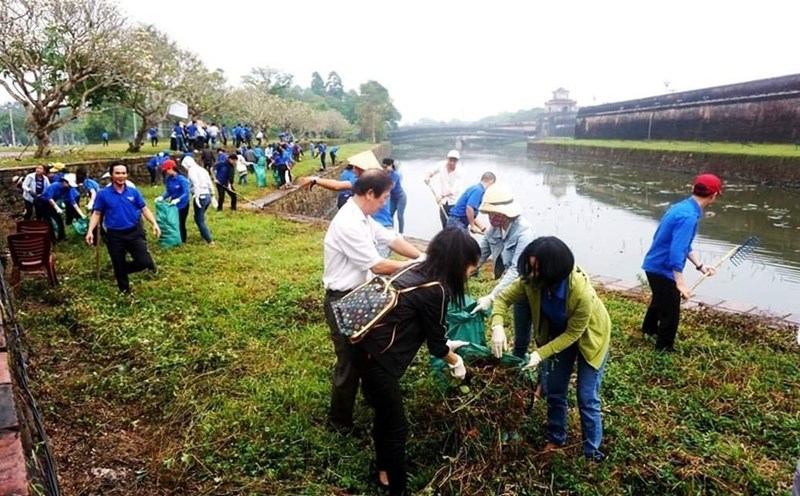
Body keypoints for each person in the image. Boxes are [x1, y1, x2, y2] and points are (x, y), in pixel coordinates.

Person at [353, 228, 476, 495]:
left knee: (384, 415)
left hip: (362, 347)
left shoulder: (418, 269)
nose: (471, 273)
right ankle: (398, 489)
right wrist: (456, 363)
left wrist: (445, 343)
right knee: (397, 428)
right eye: (471, 267)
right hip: (379, 360)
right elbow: (436, 346)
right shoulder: (437, 289)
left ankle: (384, 472)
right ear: (458, 263)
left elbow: (428, 328)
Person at [321, 168, 423, 439]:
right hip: (342, 299)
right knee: (348, 362)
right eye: (384, 197)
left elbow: (391, 239)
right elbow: (377, 265)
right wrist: (416, 266)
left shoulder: (363, 217)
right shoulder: (348, 223)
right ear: (369, 193)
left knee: (369, 350)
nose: (385, 202)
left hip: (361, 294)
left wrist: (422, 256)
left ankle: (368, 399)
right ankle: (339, 422)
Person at [491, 236, 611, 462]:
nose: (532, 273)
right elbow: (503, 299)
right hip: (557, 334)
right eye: (531, 267)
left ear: (554, 271)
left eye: (538, 269)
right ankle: (556, 439)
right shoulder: (532, 281)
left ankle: (592, 454)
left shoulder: (581, 293)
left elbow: (573, 334)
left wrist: (539, 353)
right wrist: (497, 324)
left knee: (587, 396)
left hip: (590, 336)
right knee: (555, 390)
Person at [641, 173, 722, 352]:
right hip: (662, 268)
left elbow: (682, 244)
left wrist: (700, 266)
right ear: (714, 196)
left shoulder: (681, 208)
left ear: (693, 189)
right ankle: (663, 350)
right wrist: (680, 283)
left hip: (654, 264)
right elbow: (676, 252)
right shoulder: (689, 217)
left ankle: (648, 330)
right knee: (671, 312)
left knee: (660, 299)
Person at [469, 184, 537, 358]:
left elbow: (517, 269)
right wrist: (459, 273)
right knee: (519, 320)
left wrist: (492, 296)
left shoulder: (524, 233)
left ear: (508, 213)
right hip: (515, 286)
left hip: (532, 284)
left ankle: (533, 360)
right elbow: (479, 256)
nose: (492, 218)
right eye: (489, 214)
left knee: (535, 327)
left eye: (496, 214)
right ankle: (517, 357)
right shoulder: (493, 230)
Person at [85, 164, 160, 293]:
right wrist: (90, 231)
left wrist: (154, 223)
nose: (121, 176)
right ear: (112, 175)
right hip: (114, 235)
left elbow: (144, 208)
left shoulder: (133, 192)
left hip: (134, 232)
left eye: (124, 173)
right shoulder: (103, 194)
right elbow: (97, 213)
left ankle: (120, 269)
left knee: (144, 262)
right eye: (118, 173)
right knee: (117, 261)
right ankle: (124, 290)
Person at [181, 155, 215, 245]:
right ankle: (203, 234)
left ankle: (209, 241)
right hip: (207, 195)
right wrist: (213, 195)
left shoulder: (192, 171)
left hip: (201, 196)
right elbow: (209, 182)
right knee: (200, 217)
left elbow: (196, 183)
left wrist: (197, 196)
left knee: (199, 219)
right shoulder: (202, 169)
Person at [41, 174, 84, 241]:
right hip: (42, 203)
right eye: (69, 185)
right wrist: (56, 207)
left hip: (52, 203)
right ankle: (52, 239)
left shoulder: (67, 189)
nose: (70, 187)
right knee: (48, 221)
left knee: (59, 220)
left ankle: (61, 237)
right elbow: (49, 198)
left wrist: (81, 214)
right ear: (64, 182)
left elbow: (73, 202)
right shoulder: (55, 185)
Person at [157, 159, 191, 243]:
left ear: (172, 168)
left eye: (167, 170)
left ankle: (183, 240)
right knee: (173, 222)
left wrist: (178, 199)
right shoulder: (168, 179)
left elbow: (186, 193)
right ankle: (175, 238)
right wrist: (162, 197)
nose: (166, 172)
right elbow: (169, 191)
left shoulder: (181, 179)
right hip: (173, 204)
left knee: (181, 223)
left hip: (183, 204)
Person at [382, 158, 407, 234]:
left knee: (400, 216)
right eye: (383, 167)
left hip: (400, 197)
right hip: (392, 198)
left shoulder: (395, 174)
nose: (384, 169)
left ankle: (401, 233)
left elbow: (391, 187)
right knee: (390, 215)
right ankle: (391, 232)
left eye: (386, 167)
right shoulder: (383, 174)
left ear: (391, 166)